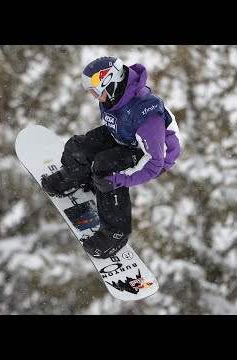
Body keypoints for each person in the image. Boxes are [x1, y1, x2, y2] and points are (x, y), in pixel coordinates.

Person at [41, 56, 181, 259]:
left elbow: (154, 161)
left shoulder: (146, 112)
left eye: (97, 92)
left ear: (112, 84)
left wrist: (119, 178)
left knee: (106, 172)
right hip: (127, 137)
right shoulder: (114, 98)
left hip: (153, 155)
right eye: (91, 93)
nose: (95, 98)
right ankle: (75, 178)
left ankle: (115, 234)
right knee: (79, 146)